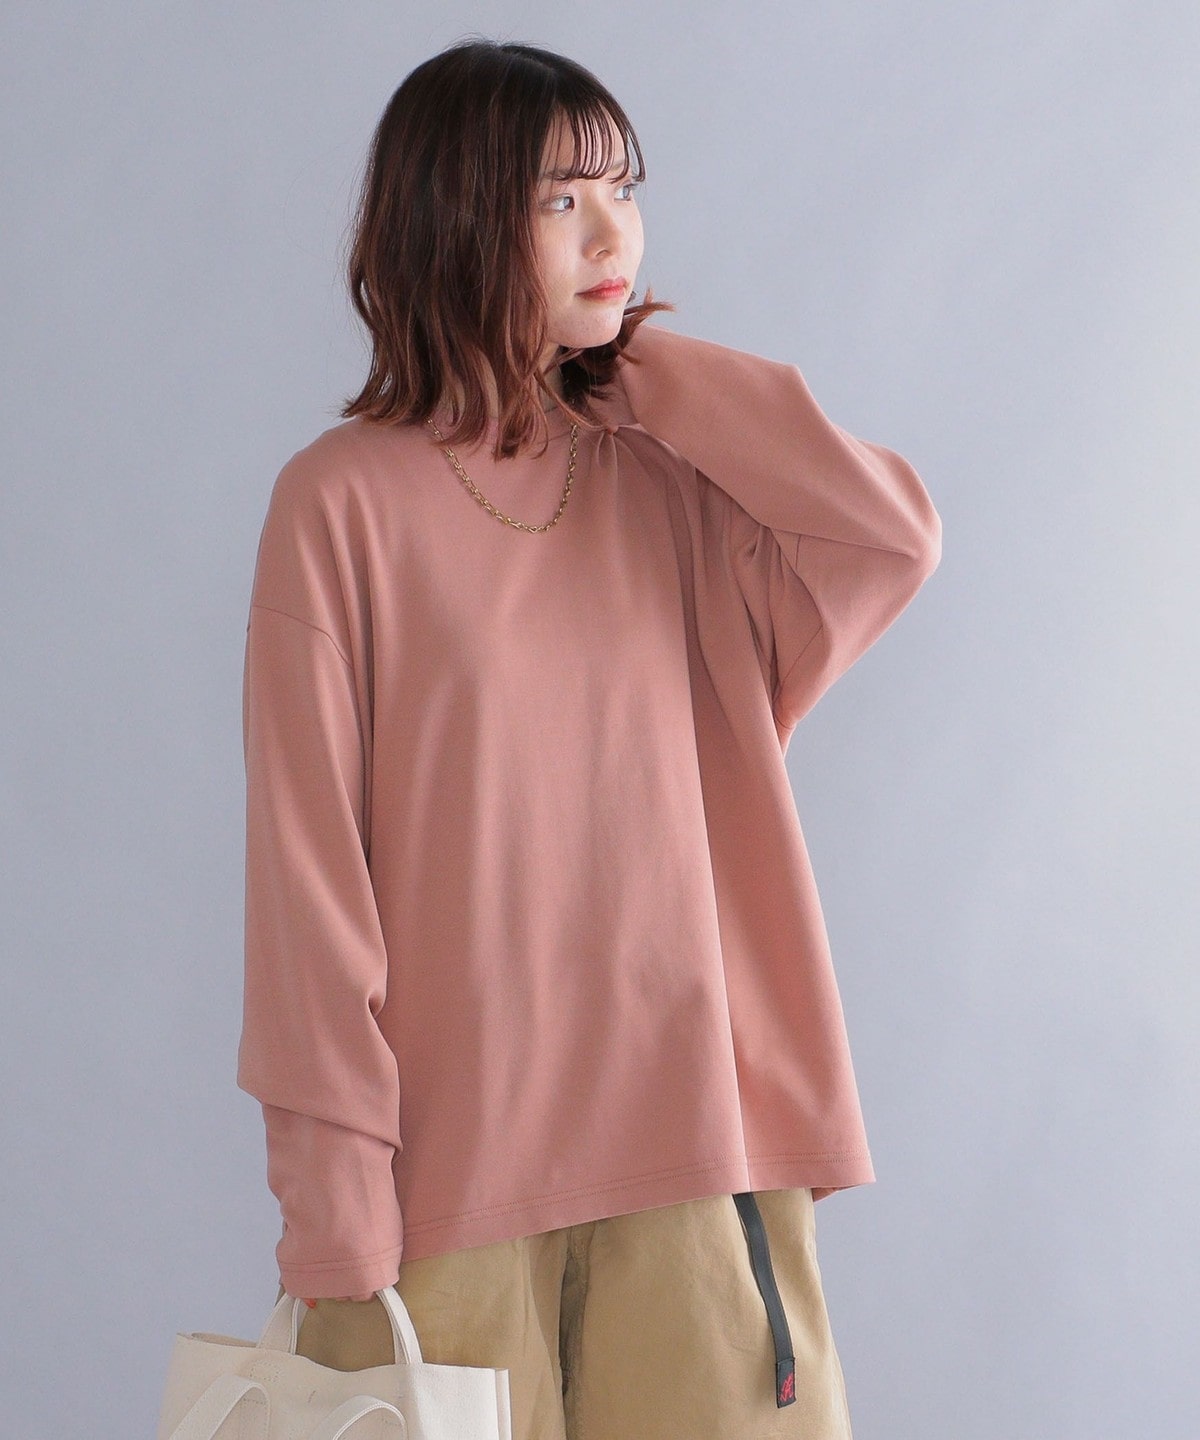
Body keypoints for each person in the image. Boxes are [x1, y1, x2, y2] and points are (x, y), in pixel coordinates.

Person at [238, 36, 942, 1440]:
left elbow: (887, 540)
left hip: (697, 1156)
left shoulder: (667, 480)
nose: (613, 233)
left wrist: (648, 372)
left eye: (625, 190)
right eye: (561, 199)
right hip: (446, 1187)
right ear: (453, 216)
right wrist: (335, 1200)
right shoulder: (341, 504)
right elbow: (308, 887)